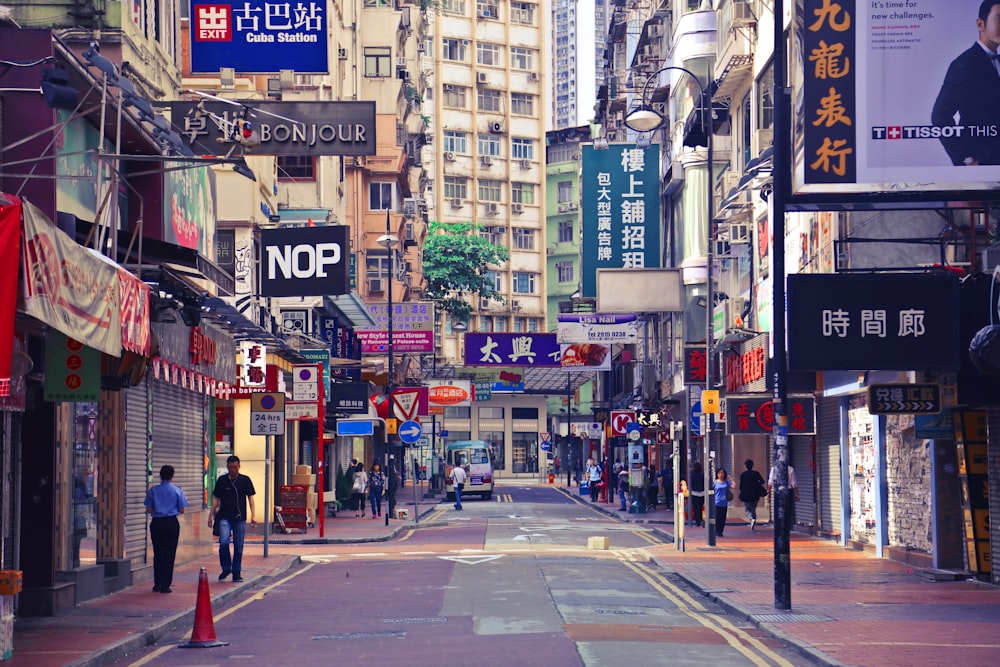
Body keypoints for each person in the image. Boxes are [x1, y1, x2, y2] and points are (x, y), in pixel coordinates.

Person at [931, 1, 1000, 166]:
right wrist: (967, 160)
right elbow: (940, 117)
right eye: (999, 18)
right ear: (980, 24)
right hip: (984, 164)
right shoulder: (965, 64)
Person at [208, 455, 256, 583]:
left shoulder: (245, 480)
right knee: (223, 542)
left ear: (239, 467)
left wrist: (253, 515)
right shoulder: (222, 480)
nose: (232, 470)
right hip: (224, 517)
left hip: (239, 518)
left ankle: (236, 572)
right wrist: (210, 515)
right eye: (230, 467)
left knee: (238, 545)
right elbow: (216, 499)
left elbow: (250, 498)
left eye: (235, 467)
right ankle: (226, 567)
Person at [144, 465, 188, 593]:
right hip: (171, 523)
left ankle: (157, 583)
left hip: (157, 523)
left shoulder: (153, 490)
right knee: (170, 553)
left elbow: (148, 509)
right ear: (172, 476)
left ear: (160, 475)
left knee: (158, 553)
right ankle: (165, 585)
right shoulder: (177, 490)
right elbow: (182, 509)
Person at [738, 459, 768, 530]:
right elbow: (762, 481)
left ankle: (751, 519)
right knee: (753, 508)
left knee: (747, 509)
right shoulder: (756, 473)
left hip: (746, 495)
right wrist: (756, 483)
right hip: (755, 494)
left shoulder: (743, 475)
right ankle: (753, 519)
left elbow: (741, 486)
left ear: (745, 466)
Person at [714, 468, 733, 537]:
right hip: (716, 502)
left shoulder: (726, 482)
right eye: (719, 473)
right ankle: (716, 531)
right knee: (717, 517)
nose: (721, 475)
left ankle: (720, 531)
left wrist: (730, 479)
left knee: (722, 518)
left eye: (722, 473)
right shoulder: (715, 482)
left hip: (724, 503)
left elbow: (734, 486)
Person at [689, 461, 705, 527]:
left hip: (694, 493)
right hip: (702, 493)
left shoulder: (692, 475)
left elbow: (691, 484)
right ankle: (701, 520)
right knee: (701, 507)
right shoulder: (703, 475)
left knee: (696, 508)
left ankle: (698, 522)